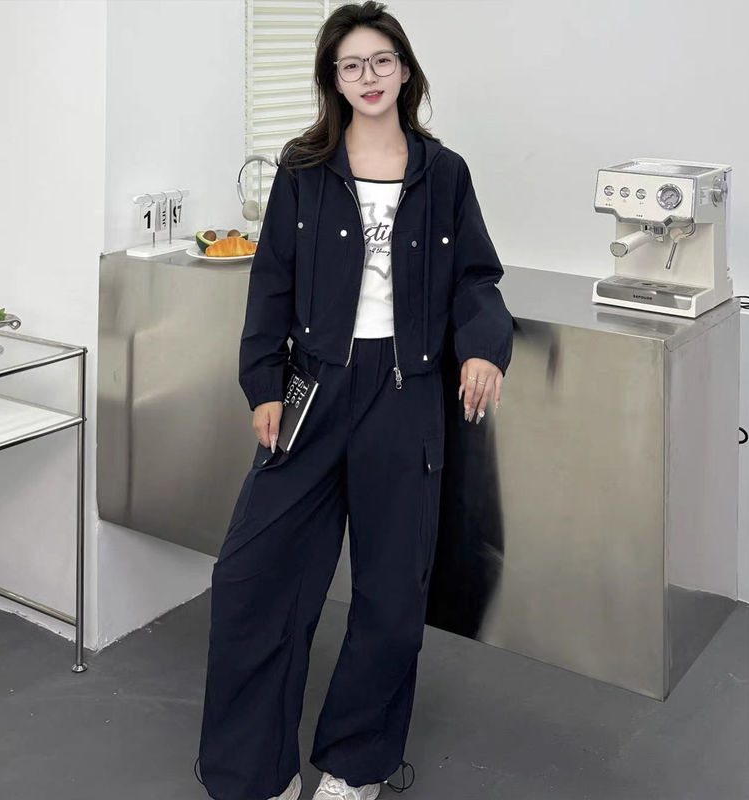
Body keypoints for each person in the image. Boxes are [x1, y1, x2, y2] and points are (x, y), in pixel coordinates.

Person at [196, 2, 514, 799]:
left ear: (404, 71)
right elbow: (270, 284)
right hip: (313, 388)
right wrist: (263, 384)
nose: (368, 77)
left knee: (390, 595)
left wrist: (484, 346)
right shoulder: (304, 169)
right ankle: (256, 774)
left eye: (381, 61)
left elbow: (477, 278)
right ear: (332, 81)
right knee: (254, 579)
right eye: (351, 65)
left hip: (405, 395)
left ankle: (354, 766)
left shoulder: (444, 173)